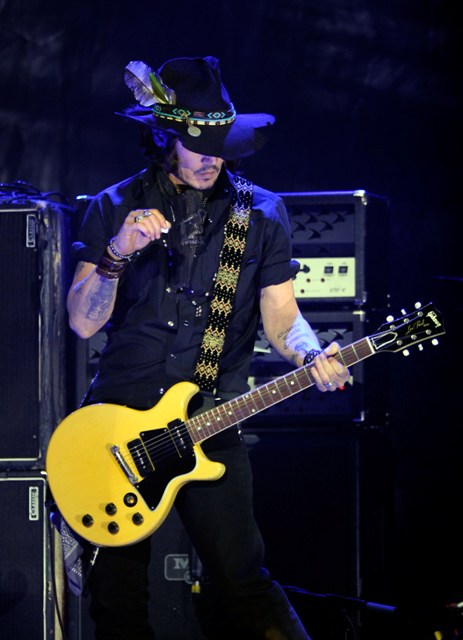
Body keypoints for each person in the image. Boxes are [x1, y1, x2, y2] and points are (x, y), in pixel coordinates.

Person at [66, 55, 350, 640]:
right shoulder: (112, 205)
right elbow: (82, 324)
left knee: (243, 580)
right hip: (117, 426)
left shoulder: (261, 211)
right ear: (163, 137)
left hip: (210, 419)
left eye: (220, 146)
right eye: (197, 145)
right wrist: (117, 253)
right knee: (117, 599)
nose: (210, 158)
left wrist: (311, 354)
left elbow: (283, 317)